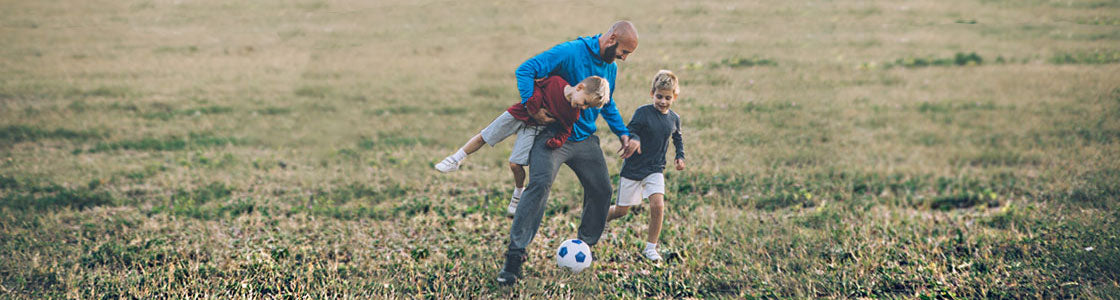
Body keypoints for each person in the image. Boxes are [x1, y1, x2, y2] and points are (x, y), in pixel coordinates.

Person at [497, 20, 642, 285]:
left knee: (602, 190)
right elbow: (525, 69)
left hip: (585, 140)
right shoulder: (570, 52)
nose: (624, 58)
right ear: (611, 39)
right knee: (539, 185)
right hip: (553, 135)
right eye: (624, 52)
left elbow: (606, 104)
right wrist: (532, 107)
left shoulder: (610, 68)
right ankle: (514, 258)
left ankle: (584, 246)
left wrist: (622, 132)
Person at [434, 76, 611, 215]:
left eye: (589, 107)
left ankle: (518, 193)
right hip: (519, 113)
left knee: (515, 164)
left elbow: (566, 129)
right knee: (484, 136)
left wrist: (556, 141)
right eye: (586, 102)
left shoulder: (573, 113)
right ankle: (455, 159)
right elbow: (534, 85)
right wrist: (534, 103)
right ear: (579, 87)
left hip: (533, 128)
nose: (585, 107)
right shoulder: (556, 82)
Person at [605, 70, 686, 261]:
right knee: (621, 211)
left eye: (667, 97)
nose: (662, 101)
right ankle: (599, 220)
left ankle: (651, 248)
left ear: (674, 97)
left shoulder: (674, 119)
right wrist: (634, 139)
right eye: (659, 96)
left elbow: (677, 138)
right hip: (633, 169)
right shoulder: (642, 113)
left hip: (655, 169)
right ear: (652, 93)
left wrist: (679, 156)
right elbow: (631, 130)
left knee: (658, 205)